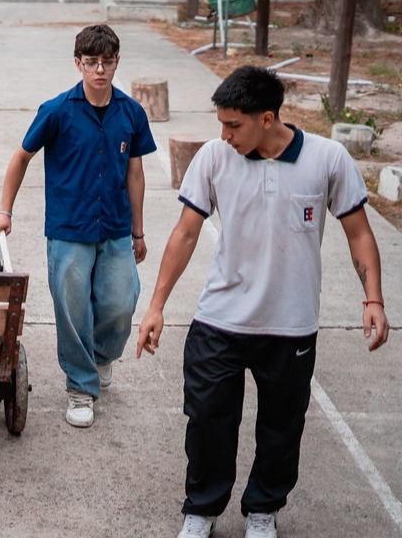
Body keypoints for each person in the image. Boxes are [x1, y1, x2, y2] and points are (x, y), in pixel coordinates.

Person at [135, 66, 389, 538]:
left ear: (267, 118)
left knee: (281, 427)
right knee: (208, 420)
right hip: (220, 319)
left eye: (234, 125)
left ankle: (263, 510)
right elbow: (186, 234)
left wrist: (372, 298)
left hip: (290, 325)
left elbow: (359, 233)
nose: (225, 135)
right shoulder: (213, 157)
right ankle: (201, 509)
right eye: (222, 124)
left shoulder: (328, 159)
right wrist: (156, 306)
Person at [0, 24, 154, 428]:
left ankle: (99, 356)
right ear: (78, 63)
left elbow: (135, 173)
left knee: (121, 302)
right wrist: (5, 210)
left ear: (116, 63)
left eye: (107, 62)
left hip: (114, 227)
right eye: (92, 62)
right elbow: (21, 158)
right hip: (68, 229)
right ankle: (81, 386)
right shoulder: (58, 110)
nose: (100, 69)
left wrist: (139, 230)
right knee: (73, 310)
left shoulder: (131, 113)